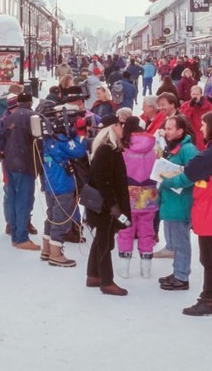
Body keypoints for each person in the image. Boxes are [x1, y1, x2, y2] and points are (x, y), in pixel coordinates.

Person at [164, 111, 212, 316]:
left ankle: (207, 299)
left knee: (208, 258)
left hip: (209, 208)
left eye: (204, 125)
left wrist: (165, 180)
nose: (202, 129)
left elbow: (185, 177)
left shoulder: (209, 155)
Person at [85, 115, 131, 296]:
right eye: (120, 125)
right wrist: (113, 205)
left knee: (101, 240)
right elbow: (103, 181)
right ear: (113, 128)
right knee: (105, 242)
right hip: (105, 206)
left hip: (105, 204)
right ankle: (106, 281)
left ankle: (93, 275)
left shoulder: (110, 149)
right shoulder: (106, 150)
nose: (123, 128)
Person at [156, 115, 199, 290]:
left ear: (180, 131)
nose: (166, 132)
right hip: (171, 201)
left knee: (181, 242)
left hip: (180, 202)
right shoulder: (173, 147)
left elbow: (192, 175)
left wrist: (168, 181)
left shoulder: (188, 149)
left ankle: (182, 277)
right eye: (165, 128)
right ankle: (177, 272)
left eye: (169, 129)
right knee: (175, 241)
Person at [38, 114, 87, 267]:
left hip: (50, 184)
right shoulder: (61, 142)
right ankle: (56, 253)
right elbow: (78, 150)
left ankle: (46, 249)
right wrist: (81, 134)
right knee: (62, 220)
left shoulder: (47, 140)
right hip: (63, 185)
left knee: (52, 216)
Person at [117, 117, 158, 279]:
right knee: (147, 232)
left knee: (125, 230)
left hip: (128, 195)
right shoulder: (154, 146)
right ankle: (146, 269)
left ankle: (124, 269)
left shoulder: (123, 147)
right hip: (149, 195)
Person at [1, 92, 41, 250]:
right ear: (30, 102)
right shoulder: (33, 117)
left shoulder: (10, 117)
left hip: (10, 162)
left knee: (12, 198)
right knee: (23, 200)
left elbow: (3, 138)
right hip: (24, 163)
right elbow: (38, 141)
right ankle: (22, 237)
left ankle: (15, 233)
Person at [179, 85, 212, 150]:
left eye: (197, 94)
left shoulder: (207, 105)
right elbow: (182, 119)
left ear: (201, 94)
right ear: (190, 94)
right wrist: (190, 107)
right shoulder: (185, 105)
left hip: (204, 133)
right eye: (193, 94)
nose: (195, 96)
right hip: (191, 133)